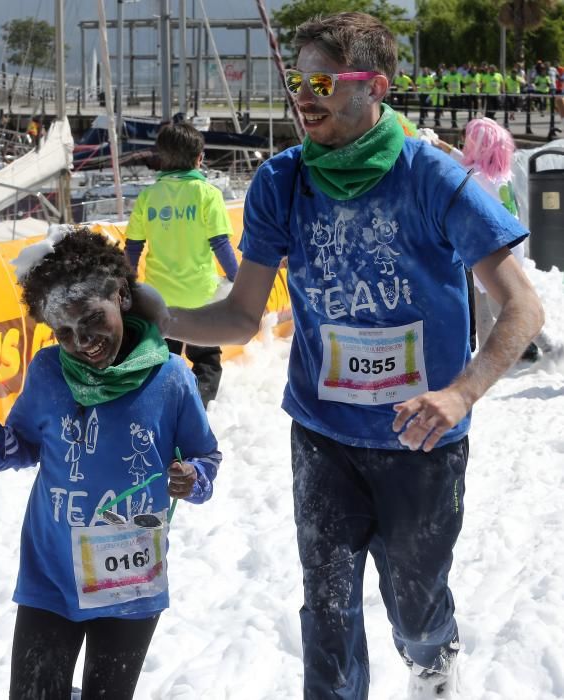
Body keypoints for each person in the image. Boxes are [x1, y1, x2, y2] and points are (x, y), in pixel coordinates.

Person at [158, 12, 544, 699]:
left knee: (415, 605)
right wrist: (157, 320)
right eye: (298, 79)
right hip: (323, 437)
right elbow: (243, 315)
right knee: (328, 614)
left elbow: (524, 306)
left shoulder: (433, 179)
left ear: (378, 87)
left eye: (325, 81)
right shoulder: (281, 182)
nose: (305, 95)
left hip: (423, 440)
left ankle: (432, 660)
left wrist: (460, 394)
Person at [0, 227, 221, 700]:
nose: (83, 341)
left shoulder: (171, 377)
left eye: (92, 319)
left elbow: (206, 456)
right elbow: (25, 445)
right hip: (51, 576)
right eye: (65, 332)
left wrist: (192, 478)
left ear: (121, 295)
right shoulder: (48, 372)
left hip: (130, 582)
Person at [124, 122, 239, 408]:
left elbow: (133, 247)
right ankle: (199, 407)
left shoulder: (148, 197)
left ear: (161, 158)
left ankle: (165, 405)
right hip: (200, 296)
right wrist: (237, 279)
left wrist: (128, 283)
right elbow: (221, 245)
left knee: (164, 357)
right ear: (199, 157)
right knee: (207, 358)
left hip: (159, 298)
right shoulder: (207, 195)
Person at [439, 118, 548, 361]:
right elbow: (466, 164)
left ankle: (544, 345)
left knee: (499, 303)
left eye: (468, 141)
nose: (464, 144)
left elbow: (456, 169)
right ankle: (501, 351)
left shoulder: (475, 176)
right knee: (490, 300)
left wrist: (435, 148)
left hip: (491, 246)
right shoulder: (498, 173)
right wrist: (444, 146)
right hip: (507, 243)